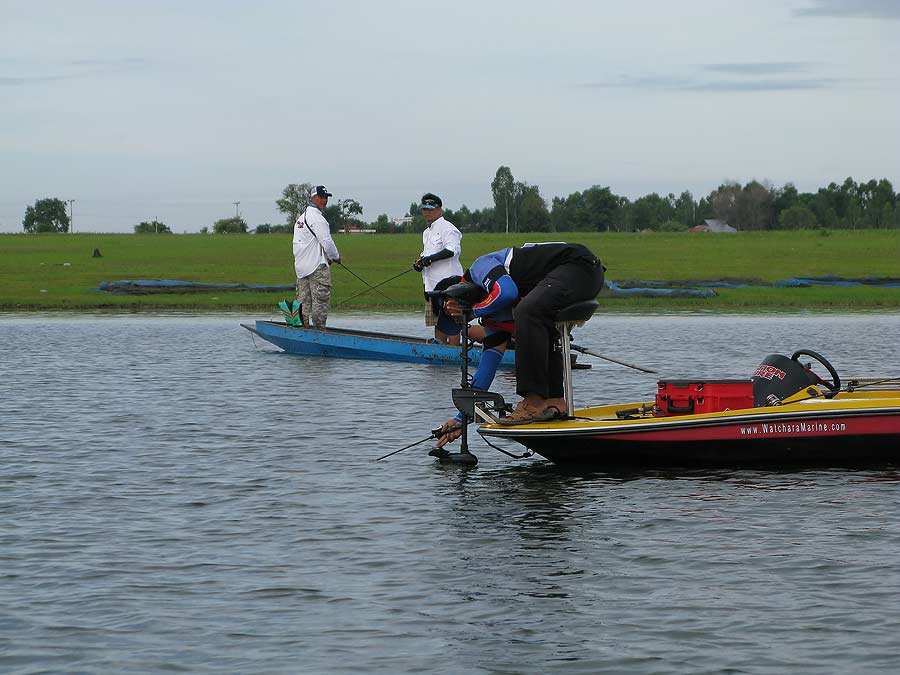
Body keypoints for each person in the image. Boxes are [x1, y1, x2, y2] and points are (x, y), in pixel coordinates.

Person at [435, 242, 605, 446]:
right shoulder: (494, 319)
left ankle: (533, 402)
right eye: (454, 318)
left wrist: (474, 311)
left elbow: (506, 292)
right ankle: (554, 401)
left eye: (454, 310)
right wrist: (461, 419)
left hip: (579, 266)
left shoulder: (480, 268)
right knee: (538, 320)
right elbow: (486, 368)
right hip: (575, 278)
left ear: (459, 291)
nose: (458, 316)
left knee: (528, 311)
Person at [412, 193, 464, 345]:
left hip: (450, 286)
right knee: (437, 323)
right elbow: (426, 254)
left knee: (453, 324)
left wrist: (430, 259)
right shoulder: (426, 232)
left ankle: (454, 358)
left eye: (431, 209)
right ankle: (439, 359)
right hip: (431, 286)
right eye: (424, 209)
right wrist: (419, 263)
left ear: (439, 209)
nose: (427, 212)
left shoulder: (448, 228)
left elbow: (453, 250)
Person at [293, 185, 341, 328]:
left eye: (326, 197)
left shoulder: (300, 219)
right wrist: (336, 257)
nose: (324, 200)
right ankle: (319, 335)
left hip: (301, 269)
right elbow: (327, 242)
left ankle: (302, 332)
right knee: (319, 305)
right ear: (312, 198)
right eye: (321, 197)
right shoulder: (318, 219)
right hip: (317, 269)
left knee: (303, 306)